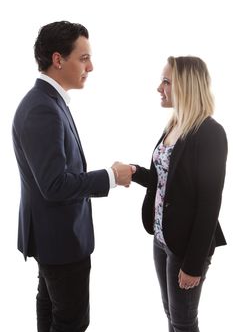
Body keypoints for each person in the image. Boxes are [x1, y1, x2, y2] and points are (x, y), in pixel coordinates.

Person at [12, 20, 134, 332]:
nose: (90, 67)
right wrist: (111, 176)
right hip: (61, 242)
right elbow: (54, 185)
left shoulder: (50, 101)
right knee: (71, 322)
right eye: (83, 58)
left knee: (52, 313)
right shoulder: (43, 108)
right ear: (57, 59)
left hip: (53, 238)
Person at [132, 56, 227, 331]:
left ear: (185, 86)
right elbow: (166, 181)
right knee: (171, 314)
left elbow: (210, 204)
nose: (159, 87)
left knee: (184, 321)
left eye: (166, 81)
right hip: (162, 239)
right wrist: (135, 172)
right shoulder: (173, 125)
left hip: (186, 248)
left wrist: (194, 264)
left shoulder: (210, 133)